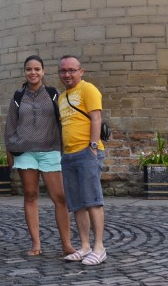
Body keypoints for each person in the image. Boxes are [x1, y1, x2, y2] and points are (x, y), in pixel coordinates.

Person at [4, 55, 75, 257]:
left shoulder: (53, 94)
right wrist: (10, 149)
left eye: (37, 69)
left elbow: (65, 121)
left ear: (43, 71)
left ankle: (66, 244)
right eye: (29, 69)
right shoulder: (18, 96)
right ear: (25, 72)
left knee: (60, 198)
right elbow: (10, 125)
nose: (33, 73)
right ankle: (36, 244)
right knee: (30, 196)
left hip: (50, 150)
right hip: (25, 152)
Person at [56, 54, 107, 266]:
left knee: (93, 200)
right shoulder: (61, 97)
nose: (67, 74)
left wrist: (93, 148)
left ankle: (99, 247)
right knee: (77, 204)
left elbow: (96, 118)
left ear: (81, 71)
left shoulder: (88, 89)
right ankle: (85, 246)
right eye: (63, 71)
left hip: (87, 152)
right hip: (69, 155)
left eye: (71, 70)